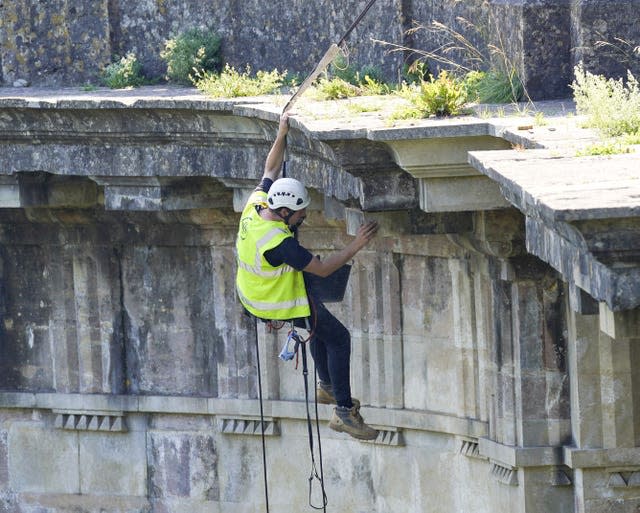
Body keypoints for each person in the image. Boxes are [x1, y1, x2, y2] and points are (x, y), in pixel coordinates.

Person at [235, 112, 379, 441]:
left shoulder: (256, 205)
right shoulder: (281, 244)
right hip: (274, 301)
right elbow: (325, 268)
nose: (304, 216)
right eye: (301, 212)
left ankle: (327, 386)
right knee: (339, 337)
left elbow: (270, 169)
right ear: (285, 212)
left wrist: (282, 133)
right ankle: (344, 411)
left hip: (253, 292)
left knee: (316, 321)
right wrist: (356, 244)